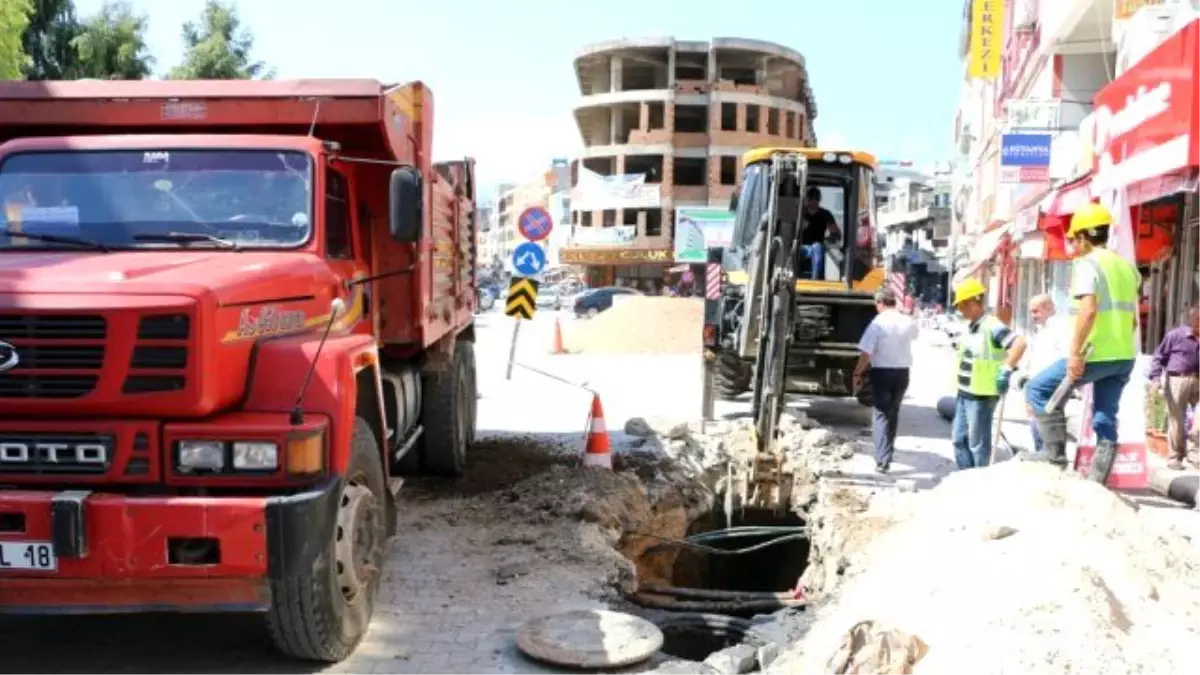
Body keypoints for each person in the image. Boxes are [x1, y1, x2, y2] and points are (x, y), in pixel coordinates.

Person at [1025, 203, 1141, 483]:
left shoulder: (1087, 264)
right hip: (1123, 356)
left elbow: (1088, 311)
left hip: (1094, 354)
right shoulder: (1126, 267)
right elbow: (1133, 319)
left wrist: (1075, 354)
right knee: (1104, 417)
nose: (1071, 245)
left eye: (1072, 239)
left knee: (1038, 389)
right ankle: (1097, 481)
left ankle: (1053, 457)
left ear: (1083, 237)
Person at [950, 277, 1027, 469]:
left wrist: (1006, 370)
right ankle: (964, 477)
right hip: (965, 392)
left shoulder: (992, 326)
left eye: (962, 304)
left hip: (982, 395)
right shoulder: (972, 326)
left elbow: (1019, 344)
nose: (959, 309)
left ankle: (979, 478)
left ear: (975, 303)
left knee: (978, 443)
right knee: (959, 439)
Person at [852, 289, 919, 474]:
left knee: (881, 414)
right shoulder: (907, 321)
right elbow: (914, 335)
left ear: (880, 303)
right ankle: (887, 455)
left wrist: (857, 373)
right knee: (893, 412)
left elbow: (866, 353)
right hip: (902, 373)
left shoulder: (877, 324)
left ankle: (882, 460)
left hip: (881, 373)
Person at [1148, 303, 1200, 470]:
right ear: (1191, 319)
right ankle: (1175, 456)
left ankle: (1194, 456)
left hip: (1198, 380)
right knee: (1177, 420)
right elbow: (1159, 356)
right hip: (1177, 380)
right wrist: (1155, 378)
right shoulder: (1176, 335)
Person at [1018, 294, 1071, 454]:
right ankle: (1043, 455)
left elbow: (1066, 359)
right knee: (1037, 424)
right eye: (1031, 312)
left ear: (1049, 307)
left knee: (1046, 425)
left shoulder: (1061, 328)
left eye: (1036, 311)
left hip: (1051, 386)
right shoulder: (1043, 330)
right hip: (1038, 385)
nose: (1033, 316)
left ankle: (1050, 457)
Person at [799, 186, 840, 280]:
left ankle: (815, 280)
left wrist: (830, 238)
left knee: (816, 247)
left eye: (816, 198)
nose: (813, 201)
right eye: (811, 198)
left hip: (818, 248)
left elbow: (837, 234)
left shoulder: (825, 214)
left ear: (819, 199)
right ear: (806, 199)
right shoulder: (800, 213)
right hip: (801, 247)